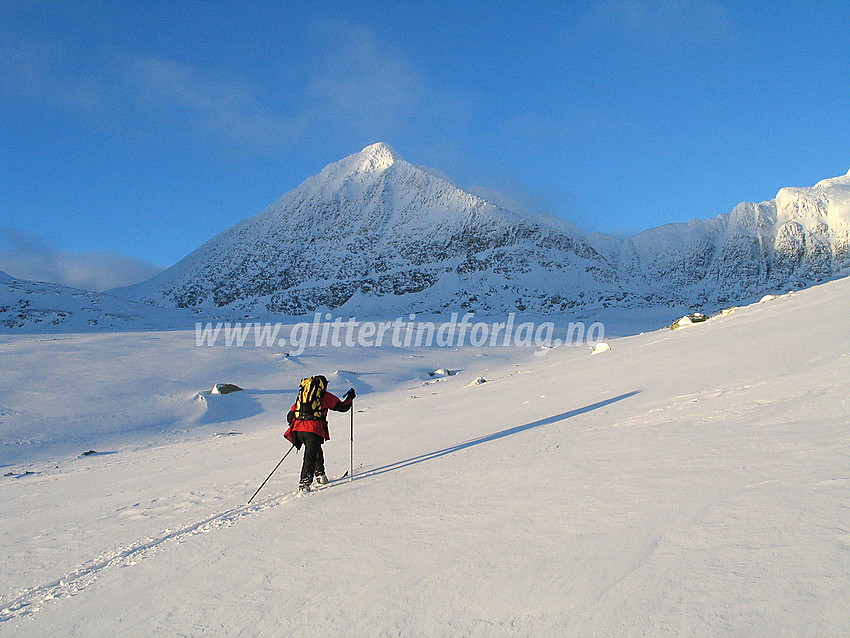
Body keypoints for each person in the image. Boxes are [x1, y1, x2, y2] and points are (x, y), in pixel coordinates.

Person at [284, 375, 355, 492]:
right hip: (314, 430)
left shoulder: (303, 396)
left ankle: (320, 475)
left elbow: (290, 416)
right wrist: (350, 398)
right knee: (310, 456)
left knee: (316, 451)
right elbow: (342, 407)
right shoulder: (324, 396)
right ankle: (304, 484)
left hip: (299, 430)